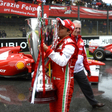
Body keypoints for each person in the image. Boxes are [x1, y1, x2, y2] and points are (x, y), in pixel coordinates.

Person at [43, 18, 79, 112]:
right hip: (54, 80)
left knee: (61, 110)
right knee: (53, 109)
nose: (58, 29)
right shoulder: (58, 42)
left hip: (64, 82)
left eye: (62, 27)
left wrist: (47, 50)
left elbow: (62, 61)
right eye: (58, 26)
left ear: (68, 32)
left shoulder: (70, 44)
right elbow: (48, 55)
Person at [72, 20, 105, 108]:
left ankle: (93, 102)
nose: (78, 30)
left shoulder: (81, 41)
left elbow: (84, 57)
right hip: (68, 71)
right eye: (76, 28)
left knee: (87, 86)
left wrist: (87, 69)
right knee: (66, 90)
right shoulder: (67, 39)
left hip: (79, 70)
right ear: (71, 28)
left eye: (79, 28)